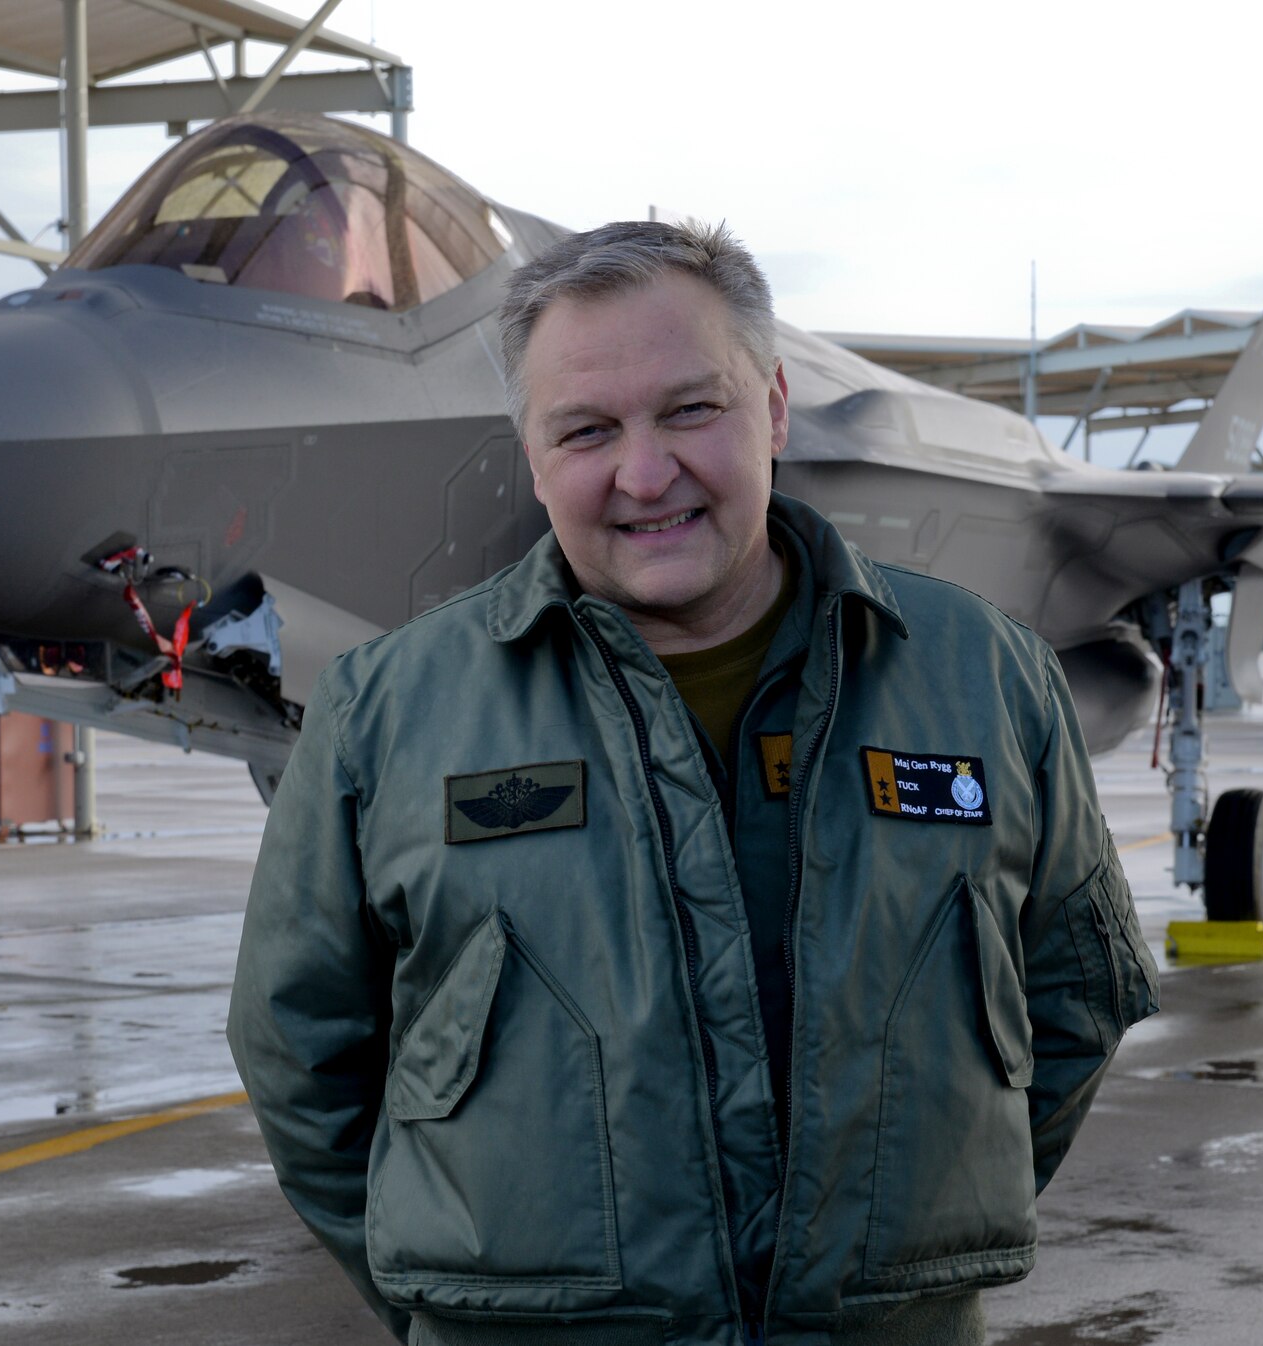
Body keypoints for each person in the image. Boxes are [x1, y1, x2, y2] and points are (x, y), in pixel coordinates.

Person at [228, 220, 1159, 1346]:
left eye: (689, 409)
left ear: (770, 407)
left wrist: (892, 1253)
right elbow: (299, 1045)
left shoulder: (983, 679)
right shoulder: (386, 709)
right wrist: (468, 1297)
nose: (643, 472)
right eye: (586, 429)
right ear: (530, 453)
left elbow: (1075, 995)